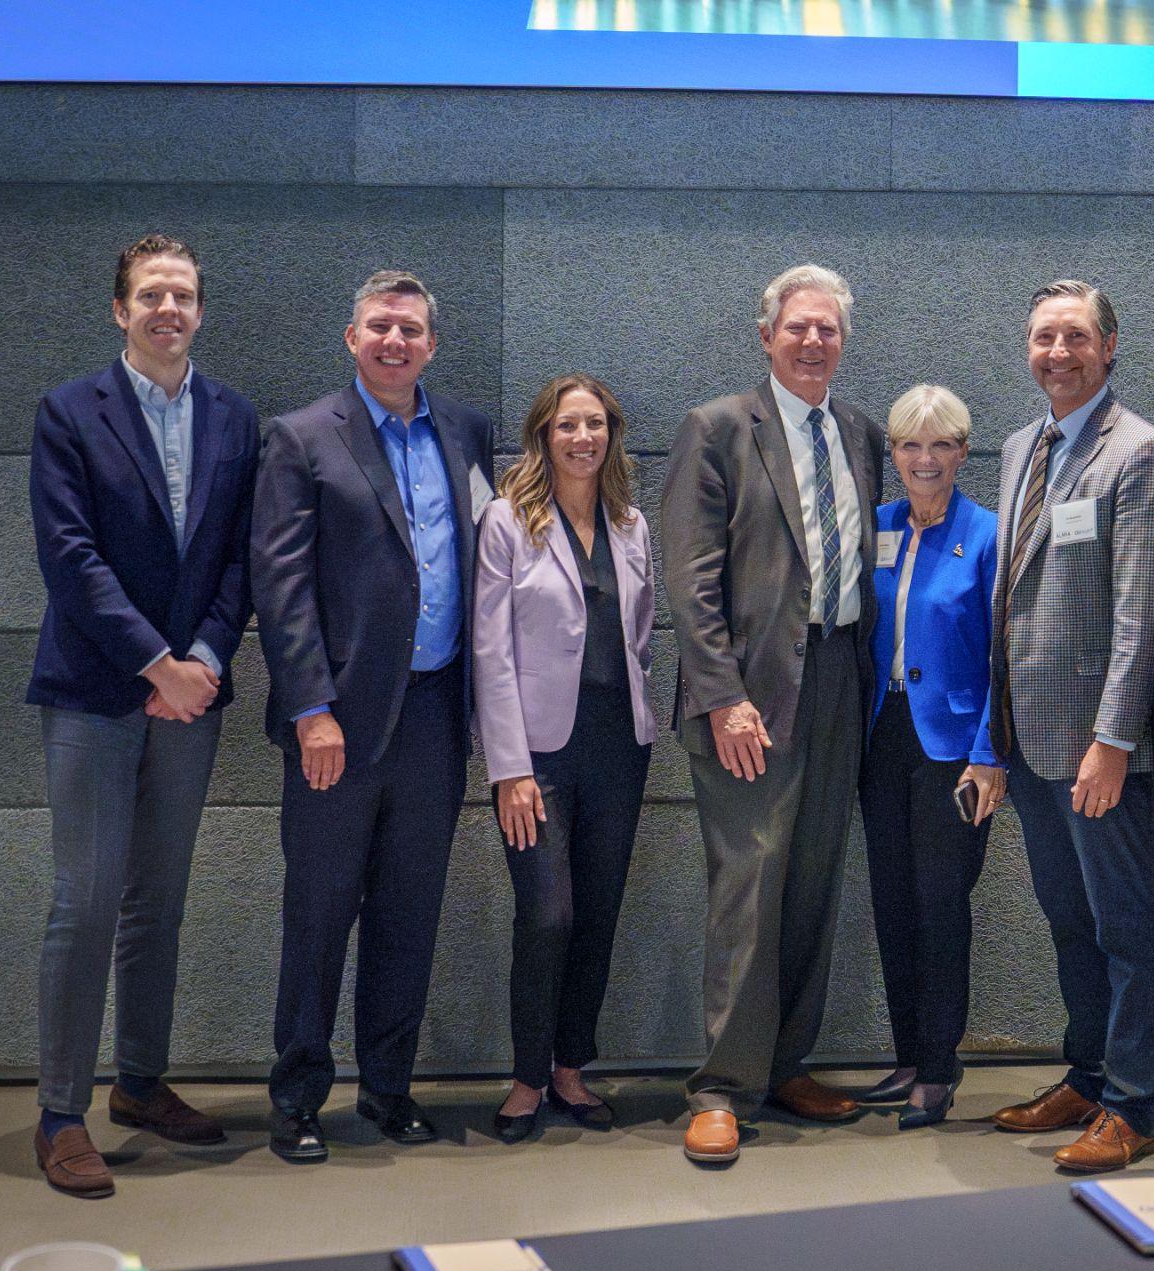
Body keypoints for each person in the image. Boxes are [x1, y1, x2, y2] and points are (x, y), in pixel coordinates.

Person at [24, 233, 257, 1197]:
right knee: (86, 899)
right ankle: (61, 1112)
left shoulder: (237, 418)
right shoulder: (70, 412)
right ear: (120, 309)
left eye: (185, 294)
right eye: (152, 294)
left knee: (158, 897)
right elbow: (69, 555)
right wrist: (155, 663)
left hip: (190, 695)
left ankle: (142, 1081)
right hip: (96, 689)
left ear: (201, 310)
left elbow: (243, 555)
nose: (170, 308)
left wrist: (202, 658)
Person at [253, 270, 495, 1163]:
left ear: (433, 342)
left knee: (408, 912)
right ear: (351, 337)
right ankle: (298, 1096)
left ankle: (388, 1089)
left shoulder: (466, 430)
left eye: (413, 329)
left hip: (436, 716)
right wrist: (312, 709)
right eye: (380, 327)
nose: (396, 341)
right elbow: (279, 589)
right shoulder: (302, 437)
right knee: (319, 912)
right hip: (339, 727)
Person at [661, 264, 885, 1164]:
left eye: (827, 328)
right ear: (766, 336)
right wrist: (722, 697)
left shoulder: (862, 433)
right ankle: (721, 1087)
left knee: (815, 878)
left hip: (840, 676)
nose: (812, 341)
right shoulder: (719, 428)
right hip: (749, 694)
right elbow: (689, 575)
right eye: (797, 327)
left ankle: (786, 1062)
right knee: (749, 884)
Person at [987, 280, 1154, 1173]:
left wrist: (1113, 742)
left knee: (1127, 926)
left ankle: (1135, 1102)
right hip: (1032, 743)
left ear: (1110, 347)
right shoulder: (1022, 445)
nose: (1057, 353)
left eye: (1074, 337)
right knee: (1069, 920)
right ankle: (1088, 1073)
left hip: (1102, 752)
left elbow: (1142, 618)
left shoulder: (1142, 452)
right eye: (1042, 338)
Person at [472, 374, 655, 1138]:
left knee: (599, 914)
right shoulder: (507, 522)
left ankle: (571, 1068)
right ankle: (525, 1076)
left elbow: (640, 632)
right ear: (542, 436)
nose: (582, 438)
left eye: (594, 424)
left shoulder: (631, 522)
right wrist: (509, 767)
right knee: (548, 914)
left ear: (610, 434)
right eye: (565, 425)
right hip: (538, 755)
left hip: (619, 745)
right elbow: (490, 647)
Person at [854, 385, 1003, 1130]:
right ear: (894, 453)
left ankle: (939, 1070)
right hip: (882, 739)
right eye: (910, 444)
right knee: (892, 904)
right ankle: (910, 1053)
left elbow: (1005, 656)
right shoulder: (878, 526)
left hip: (956, 750)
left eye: (940, 444)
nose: (924, 458)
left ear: (962, 452)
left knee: (941, 904)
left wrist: (989, 753)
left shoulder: (986, 534)